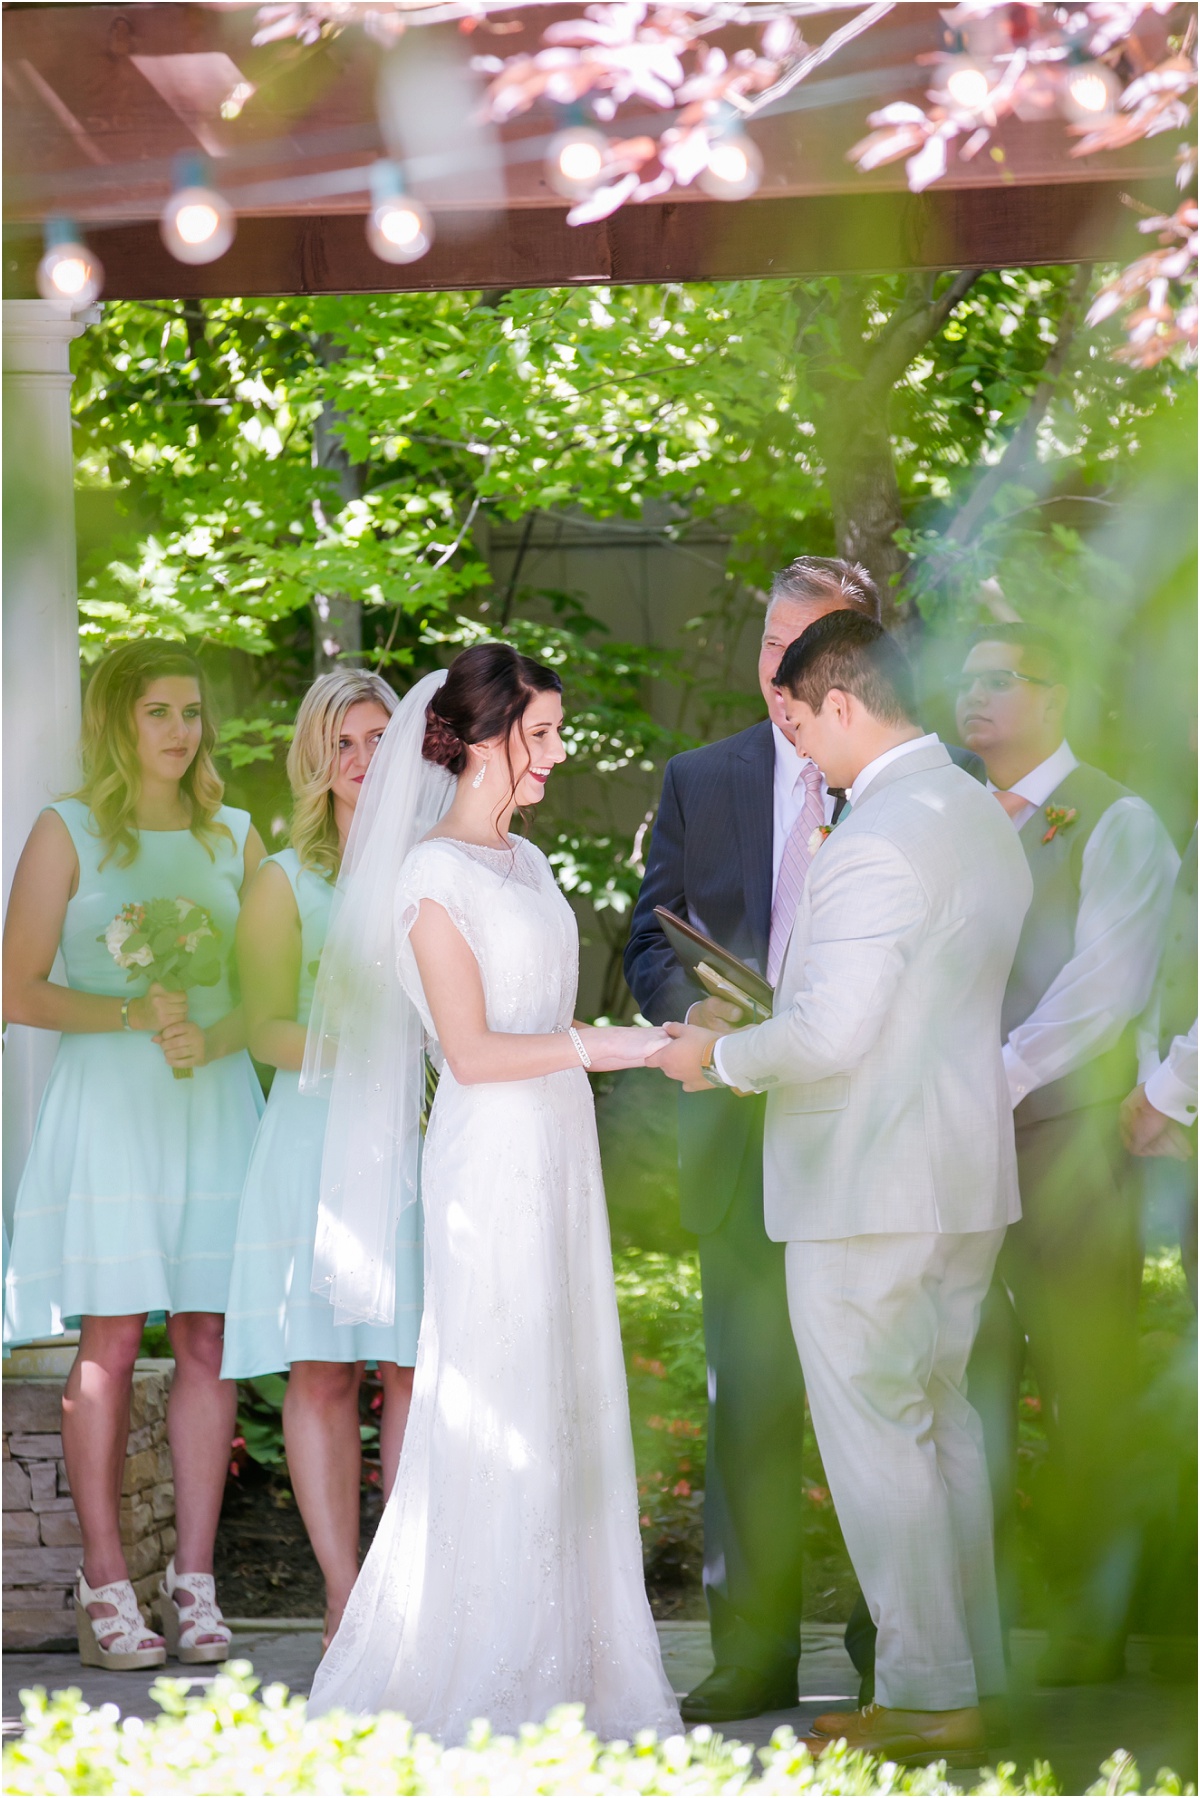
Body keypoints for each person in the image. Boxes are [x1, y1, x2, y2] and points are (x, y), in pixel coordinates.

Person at [651, 611, 1032, 1768]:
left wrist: (712, 1054)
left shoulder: (875, 836)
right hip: (958, 1176)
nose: (800, 749)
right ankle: (974, 1675)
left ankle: (923, 1694)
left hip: (867, 1186)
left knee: (878, 1442)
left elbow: (830, 1036)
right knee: (943, 1430)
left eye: (802, 722)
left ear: (845, 702)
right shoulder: (975, 813)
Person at [304, 644, 681, 1743]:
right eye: (543, 734)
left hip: (558, 1154)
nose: (558, 754)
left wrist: (604, 1055)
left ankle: (578, 1652)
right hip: (489, 1163)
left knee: (563, 1384)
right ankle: (483, 1661)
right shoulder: (427, 877)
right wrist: (624, 1046)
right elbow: (467, 1051)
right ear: (478, 740)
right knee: (502, 1389)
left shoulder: (530, 862)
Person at [3, 639, 265, 1672]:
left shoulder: (236, 837)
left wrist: (223, 1031)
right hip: (113, 1109)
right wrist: (126, 1010)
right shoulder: (67, 831)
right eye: (157, 711)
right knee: (111, 1336)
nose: (179, 730)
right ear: (118, 722)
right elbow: (17, 989)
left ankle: (193, 1584)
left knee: (206, 1334)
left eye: (191, 710)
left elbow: (269, 993)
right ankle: (107, 1584)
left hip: (212, 1107)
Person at [950, 624, 1179, 1685]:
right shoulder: (948, 814)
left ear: (1060, 692)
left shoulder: (1116, 819)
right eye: (967, 676)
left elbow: (1107, 985)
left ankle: (1091, 1636)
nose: (975, 693)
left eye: (1002, 679)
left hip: (1069, 1142)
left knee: (1084, 1383)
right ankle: (980, 1620)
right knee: (966, 1381)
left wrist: (991, 1077)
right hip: (953, 1144)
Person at [221, 671, 420, 1650]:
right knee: (325, 1367)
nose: (363, 761)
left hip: (415, 1140)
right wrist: (357, 1053)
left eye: (380, 739)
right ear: (314, 757)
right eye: (343, 744)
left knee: (412, 1359)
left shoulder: (435, 862)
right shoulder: (283, 880)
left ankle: (410, 1577)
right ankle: (344, 1589)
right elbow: (262, 1029)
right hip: (311, 1139)